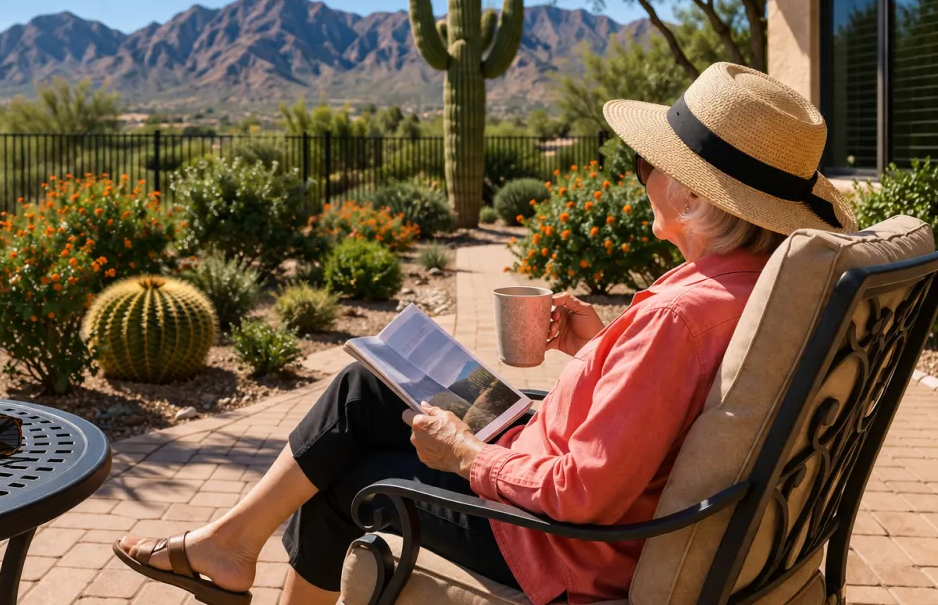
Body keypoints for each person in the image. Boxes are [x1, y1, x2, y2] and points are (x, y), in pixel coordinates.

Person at [112, 63, 857, 605]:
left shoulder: (677, 314)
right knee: (367, 386)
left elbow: (585, 494)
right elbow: (662, 404)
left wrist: (469, 455)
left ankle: (226, 549)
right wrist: (598, 346)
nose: (641, 174)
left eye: (649, 163)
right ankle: (229, 547)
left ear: (694, 193)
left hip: (557, 548)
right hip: (561, 487)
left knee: (340, 475)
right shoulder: (746, 285)